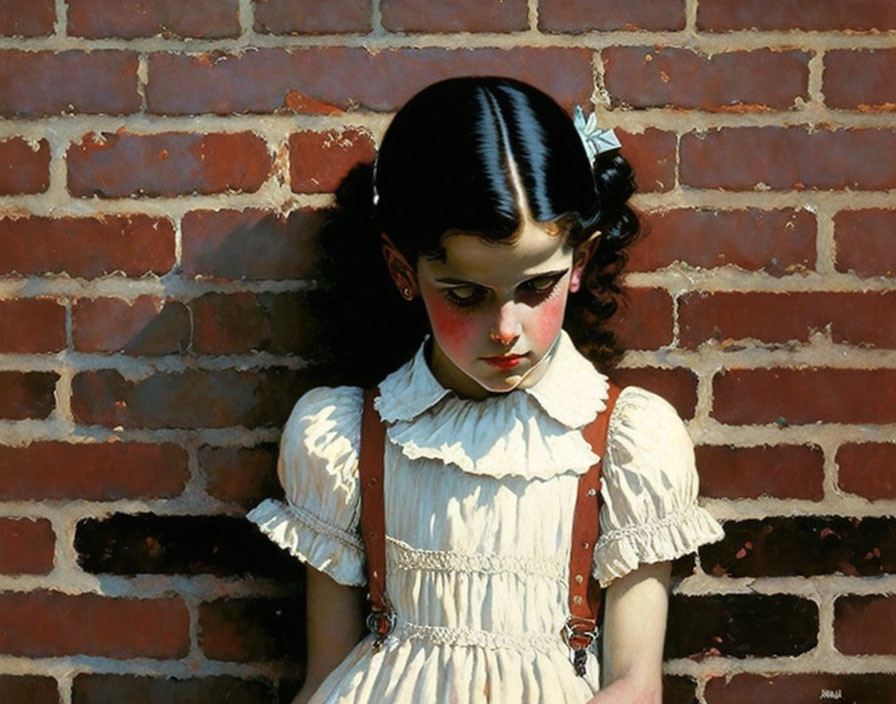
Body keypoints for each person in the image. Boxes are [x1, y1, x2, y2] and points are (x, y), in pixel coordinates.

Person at [247, 76, 724, 704]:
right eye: (466, 295)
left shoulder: (626, 439)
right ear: (403, 271)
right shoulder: (345, 438)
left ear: (579, 262)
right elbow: (328, 677)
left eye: (535, 289)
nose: (506, 331)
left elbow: (635, 685)